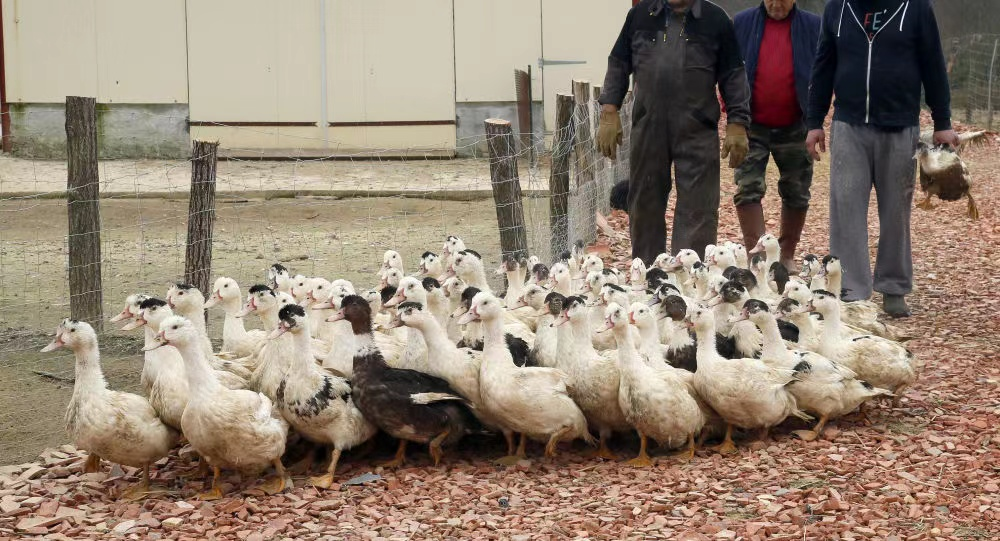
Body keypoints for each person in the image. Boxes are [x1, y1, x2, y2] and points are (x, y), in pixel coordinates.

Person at [806, 0, 958, 318]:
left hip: (901, 125)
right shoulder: (838, 8)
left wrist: (943, 122)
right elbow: (823, 65)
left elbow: (933, 63)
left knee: (895, 211)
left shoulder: (916, 8)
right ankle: (851, 290)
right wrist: (814, 121)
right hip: (849, 125)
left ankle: (893, 287)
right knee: (846, 209)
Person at [596, 0, 751, 265]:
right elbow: (619, 64)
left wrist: (738, 123)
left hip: (697, 128)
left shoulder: (716, 21)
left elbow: (733, 75)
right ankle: (647, 272)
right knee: (644, 201)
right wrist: (609, 112)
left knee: (698, 207)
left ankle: (688, 276)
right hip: (648, 126)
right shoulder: (640, 17)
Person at [732, 0, 820, 271]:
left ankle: (786, 255)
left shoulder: (813, 26)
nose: (776, 3)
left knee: (797, 189)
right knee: (748, 187)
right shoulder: (742, 23)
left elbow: (824, 72)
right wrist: (732, 115)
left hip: (795, 122)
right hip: (751, 123)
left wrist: (817, 118)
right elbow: (729, 71)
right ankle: (758, 256)